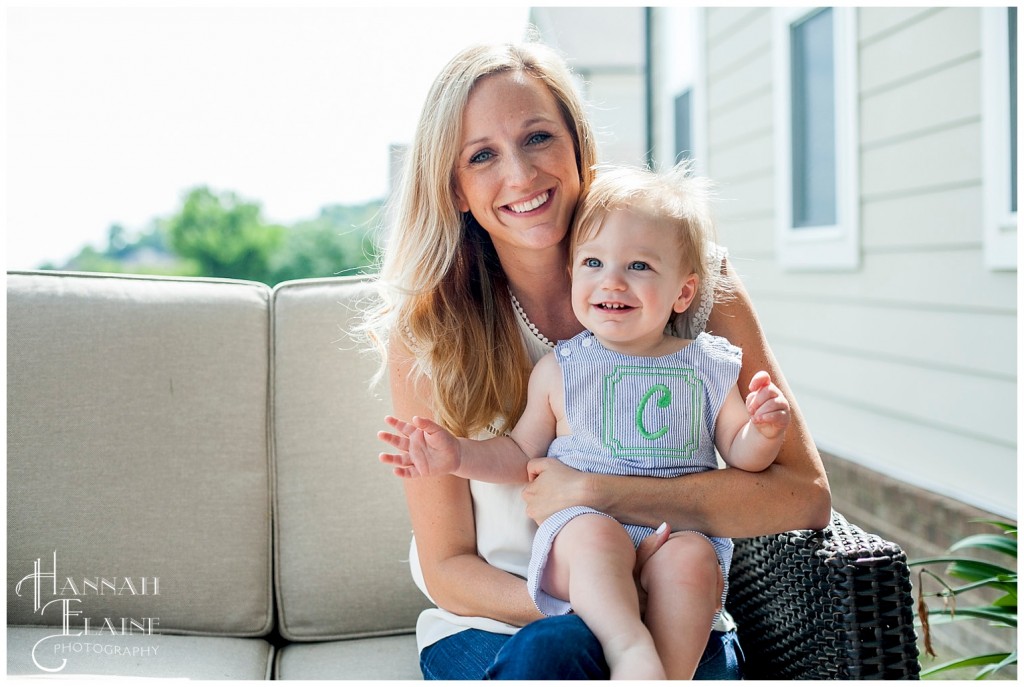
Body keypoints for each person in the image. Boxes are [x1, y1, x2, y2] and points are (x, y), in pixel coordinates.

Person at [361, 39, 831, 680]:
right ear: (458, 191)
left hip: (677, 610)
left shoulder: (688, 279)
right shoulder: (430, 333)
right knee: (554, 655)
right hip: (506, 624)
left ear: (580, 147)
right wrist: (599, 604)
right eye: (482, 156)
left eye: (538, 138)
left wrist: (597, 496)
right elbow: (449, 570)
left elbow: (802, 498)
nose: (522, 176)